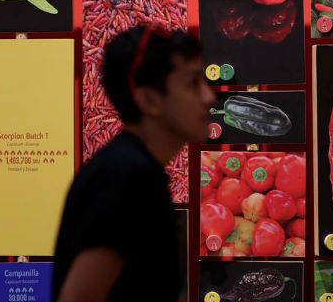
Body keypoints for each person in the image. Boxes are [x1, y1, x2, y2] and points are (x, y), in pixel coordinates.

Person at [53, 26, 215, 302]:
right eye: (192, 83)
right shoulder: (130, 179)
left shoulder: (128, 169)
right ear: (149, 99)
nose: (209, 97)